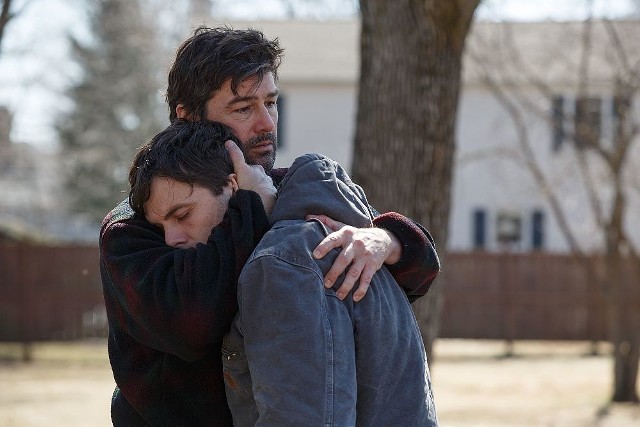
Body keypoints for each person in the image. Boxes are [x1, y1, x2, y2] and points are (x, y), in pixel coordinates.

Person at [100, 26, 439, 426]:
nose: (266, 123)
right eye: (243, 108)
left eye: (272, 102)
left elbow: (416, 275)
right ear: (188, 118)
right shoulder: (135, 225)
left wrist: (384, 239)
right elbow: (191, 321)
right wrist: (253, 207)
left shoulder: (286, 192)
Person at [223, 152, 439, 426]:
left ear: (231, 185)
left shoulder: (288, 260)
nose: (265, 122)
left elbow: (304, 418)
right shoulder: (360, 248)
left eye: (271, 106)